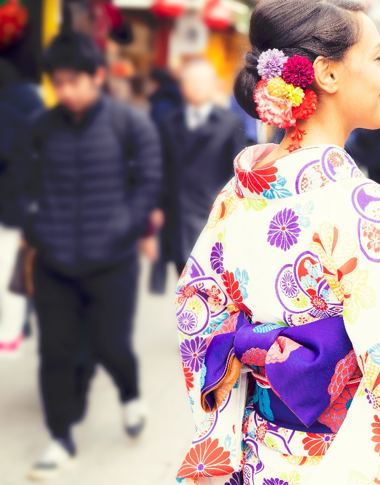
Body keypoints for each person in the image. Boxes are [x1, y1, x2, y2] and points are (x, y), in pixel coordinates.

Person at [175, 0, 380, 485]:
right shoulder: (373, 210)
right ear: (326, 74)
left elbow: (198, 317)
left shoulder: (236, 195)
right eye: (378, 56)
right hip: (342, 458)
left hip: (261, 447)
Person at [14, 31, 162, 480]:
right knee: (55, 354)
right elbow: (21, 183)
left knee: (111, 345)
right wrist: (37, 226)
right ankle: (60, 437)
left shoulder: (128, 123)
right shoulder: (40, 126)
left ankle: (130, 393)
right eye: (58, 83)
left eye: (74, 81)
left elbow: (150, 179)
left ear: (97, 76)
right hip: (55, 263)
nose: (66, 92)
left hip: (111, 262)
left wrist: (125, 226)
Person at [150, 61, 249, 293]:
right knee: (183, 285)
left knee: (210, 287)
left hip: (212, 215)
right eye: (189, 82)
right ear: (181, 87)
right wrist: (155, 206)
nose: (195, 88)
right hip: (176, 216)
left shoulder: (230, 123)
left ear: (214, 86)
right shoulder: (169, 122)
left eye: (201, 82)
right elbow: (159, 167)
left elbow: (236, 171)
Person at [0, 60, 44, 357]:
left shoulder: (5, 110)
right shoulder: (34, 103)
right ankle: (17, 328)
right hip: (27, 202)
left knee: (7, 270)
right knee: (17, 267)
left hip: (8, 202)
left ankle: (10, 335)